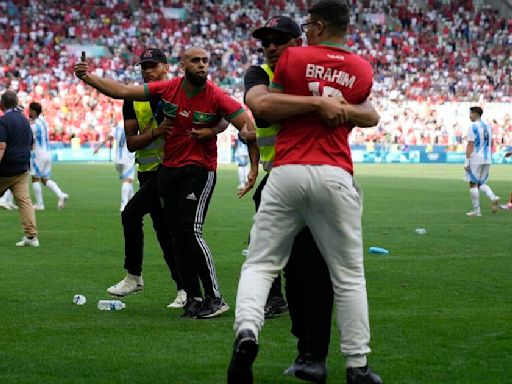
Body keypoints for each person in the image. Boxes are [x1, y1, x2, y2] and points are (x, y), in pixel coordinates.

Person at [228, 2, 382, 384]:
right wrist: (329, 104)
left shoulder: (291, 60)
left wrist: (322, 103)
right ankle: (357, 365)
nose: (271, 48)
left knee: (262, 264)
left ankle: (247, 331)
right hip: (335, 172)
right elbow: (368, 112)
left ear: (316, 27)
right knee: (348, 276)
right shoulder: (362, 68)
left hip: (287, 170)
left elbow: (266, 105)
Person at [74, 46, 259, 319]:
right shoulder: (168, 89)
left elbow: (248, 126)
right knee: (168, 231)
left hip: (198, 172)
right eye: (195, 60)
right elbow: (122, 91)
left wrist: (253, 165)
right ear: (182, 63)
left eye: (205, 61)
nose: (202, 65)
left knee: (189, 233)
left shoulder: (216, 95)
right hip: (168, 171)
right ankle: (192, 297)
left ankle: (215, 298)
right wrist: (88, 78)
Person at [106, 48, 229, 309]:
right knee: (166, 230)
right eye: (144, 67)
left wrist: (210, 130)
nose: (147, 71)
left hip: (176, 171)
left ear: (166, 68)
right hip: (151, 172)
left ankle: (181, 288)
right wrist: (156, 132)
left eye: (153, 66)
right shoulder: (136, 99)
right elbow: (131, 144)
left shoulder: (177, 91)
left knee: (170, 232)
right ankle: (179, 288)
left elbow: (222, 115)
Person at [0, 91, 39, 247]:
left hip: (5, 170)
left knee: (23, 201)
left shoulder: (3, 121)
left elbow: (1, 147)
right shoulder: (25, 121)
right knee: (24, 201)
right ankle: (31, 237)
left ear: (2, 105)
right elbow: (31, 144)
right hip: (22, 168)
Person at [28, 102, 69, 211]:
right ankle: (60, 194)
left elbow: (31, 141)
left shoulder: (33, 126)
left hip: (38, 154)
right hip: (48, 152)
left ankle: (39, 204)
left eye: (30, 110)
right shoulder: (44, 121)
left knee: (35, 178)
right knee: (45, 179)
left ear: (33, 111)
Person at [464, 106, 500, 217]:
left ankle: (476, 211)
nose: (469, 116)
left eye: (470, 114)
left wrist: (466, 161)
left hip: (476, 157)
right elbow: (491, 142)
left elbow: (470, 145)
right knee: (481, 183)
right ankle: (493, 197)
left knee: (472, 183)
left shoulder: (473, 126)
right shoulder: (488, 126)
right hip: (487, 157)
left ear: (475, 114)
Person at [94, 119, 136, 212]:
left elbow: (108, 137)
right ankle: (124, 205)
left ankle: (132, 201)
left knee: (128, 180)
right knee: (127, 181)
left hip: (117, 159)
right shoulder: (133, 125)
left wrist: (98, 148)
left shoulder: (118, 126)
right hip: (128, 157)